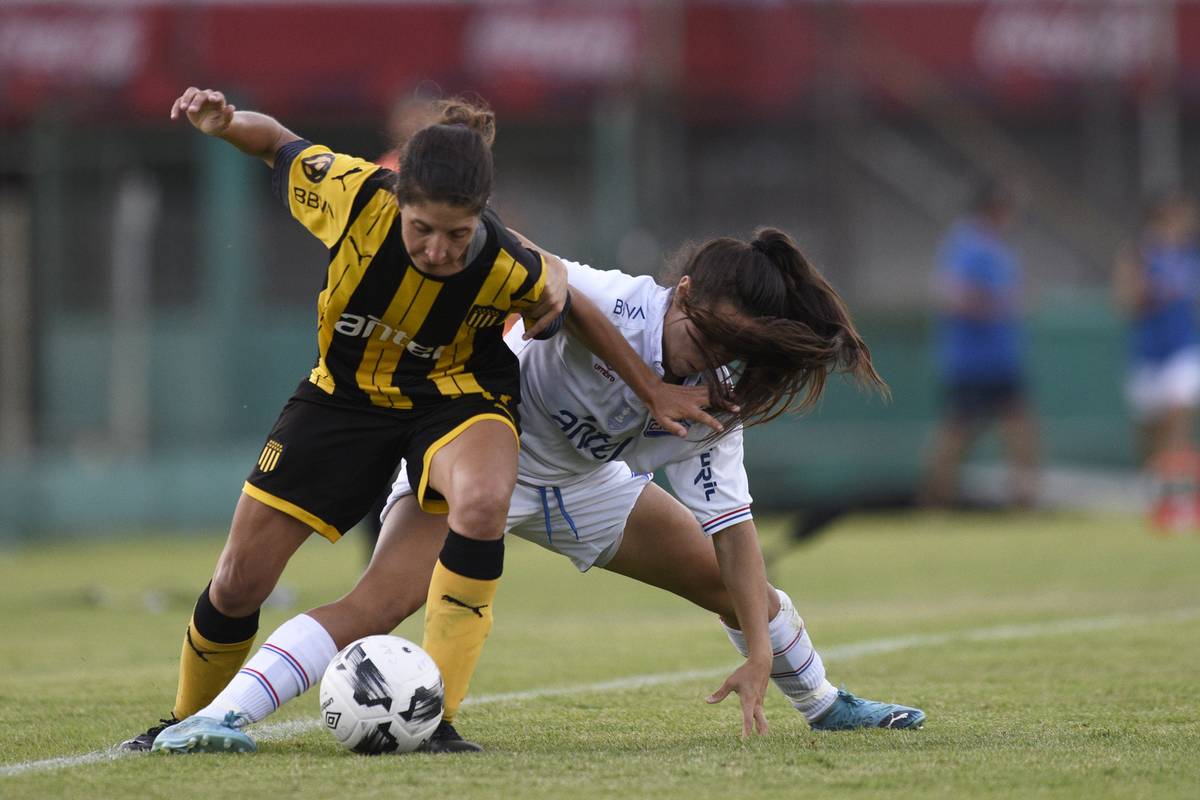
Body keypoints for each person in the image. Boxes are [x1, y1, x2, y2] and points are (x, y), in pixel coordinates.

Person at [158, 227, 925, 754]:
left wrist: (758, 654)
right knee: (375, 605)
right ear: (680, 294)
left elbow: (735, 532)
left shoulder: (717, 396)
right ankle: (220, 718)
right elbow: (535, 272)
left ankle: (825, 705)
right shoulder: (615, 296)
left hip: (587, 487)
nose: (711, 358)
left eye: (733, 348)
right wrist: (648, 385)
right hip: (478, 453)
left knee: (735, 591)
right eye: (705, 335)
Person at [122, 87, 713, 753]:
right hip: (342, 399)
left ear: (481, 217)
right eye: (421, 230)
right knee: (237, 582)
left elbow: (570, 304)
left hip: (457, 397)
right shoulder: (353, 193)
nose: (437, 250)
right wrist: (227, 123)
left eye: (457, 235)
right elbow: (275, 141)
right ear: (398, 198)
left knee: (485, 501)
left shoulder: (506, 259)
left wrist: (652, 389)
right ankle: (187, 723)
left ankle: (438, 721)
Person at [921, 181, 1039, 508]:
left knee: (1020, 427)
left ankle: (1024, 499)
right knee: (957, 432)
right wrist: (995, 305)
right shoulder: (967, 242)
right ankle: (935, 501)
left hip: (1001, 358)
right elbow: (949, 293)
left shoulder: (999, 247)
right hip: (971, 360)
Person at [1113, 191, 1200, 531]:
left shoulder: (1190, 255)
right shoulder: (1139, 254)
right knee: (1149, 434)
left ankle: (1180, 501)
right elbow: (1126, 303)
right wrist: (1143, 285)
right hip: (1148, 352)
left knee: (1178, 414)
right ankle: (1155, 494)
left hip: (1183, 349)